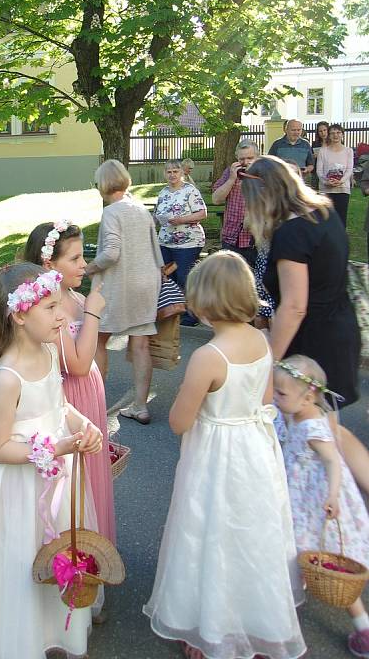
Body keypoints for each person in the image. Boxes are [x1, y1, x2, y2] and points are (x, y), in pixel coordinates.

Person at [0, 263, 103, 659]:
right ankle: (10, 640)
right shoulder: (7, 375)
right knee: (17, 557)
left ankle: (49, 630)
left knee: (53, 550)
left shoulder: (49, 351)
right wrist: (58, 448)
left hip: (53, 478)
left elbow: (60, 407)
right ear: (20, 314)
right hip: (14, 485)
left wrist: (85, 425)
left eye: (60, 303)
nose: (63, 314)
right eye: (50, 307)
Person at [144, 251, 305, 659]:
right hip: (254, 449)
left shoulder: (208, 357)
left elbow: (180, 422)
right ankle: (261, 624)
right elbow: (265, 398)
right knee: (251, 533)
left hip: (215, 456)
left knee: (210, 532)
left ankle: (211, 631)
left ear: (205, 302)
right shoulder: (262, 342)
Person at [241, 155, 360, 407]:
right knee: (324, 432)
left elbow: (294, 307)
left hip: (313, 343)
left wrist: (271, 360)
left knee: (309, 431)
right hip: (340, 329)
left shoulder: (291, 234)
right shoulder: (324, 212)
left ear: (263, 195)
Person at [24, 220, 115, 544]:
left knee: (93, 473)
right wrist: (93, 313)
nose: (84, 265)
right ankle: (75, 550)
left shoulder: (73, 296)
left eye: (82, 257)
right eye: (74, 259)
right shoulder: (52, 306)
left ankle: (93, 553)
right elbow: (77, 364)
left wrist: (87, 307)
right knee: (79, 483)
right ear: (49, 264)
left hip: (89, 394)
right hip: (72, 395)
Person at [274, 356, 369, 658]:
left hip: (316, 502)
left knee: (330, 559)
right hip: (299, 497)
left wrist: (332, 495)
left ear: (308, 396)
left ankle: (362, 624)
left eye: (281, 393)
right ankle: (282, 613)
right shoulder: (291, 411)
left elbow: (332, 461)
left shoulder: (313, 425)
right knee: (296, 552)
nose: (275, 397)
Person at [84, 160, 164, 426]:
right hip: (146, 282)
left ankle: (95, 403)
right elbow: (156, 250)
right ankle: (141, 406)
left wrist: (89, 269)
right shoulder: (141, 208)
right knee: (141, 344)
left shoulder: (111, 212)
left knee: (98, 339)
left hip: (118, 285)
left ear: (103, 184)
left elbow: (111, 253)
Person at [153, 160, 206, 289]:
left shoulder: (189, 190)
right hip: (165, 243)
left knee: (184, 279)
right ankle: (173, 308)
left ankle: (189, 308)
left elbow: (202, 214)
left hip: (188, 243)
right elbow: (155, 215)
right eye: (169, 172)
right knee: (167, 278)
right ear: (165, 174)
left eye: (175, 171)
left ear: (181, 172)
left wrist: (181, 220)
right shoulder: (163, 192)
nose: (172, 175)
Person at [211, 139, 259, 268]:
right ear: (237, 158)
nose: (245, 162)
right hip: (232, 237)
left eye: (250, 158)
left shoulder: (264, 173)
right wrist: (232, 179)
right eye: (242, 159)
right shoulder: (230, 172)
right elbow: (216, 199)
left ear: (257, 157)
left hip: (256, 238)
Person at [316, 124, 354, 227]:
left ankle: (340, 242)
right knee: (325, 219)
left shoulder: (348, 151)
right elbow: (319, 170)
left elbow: (349, 169)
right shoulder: (323, 151)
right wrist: (326, 182)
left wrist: (340, 181)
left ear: (342, 134)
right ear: (328, 135)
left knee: (341, 220)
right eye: (332, 133)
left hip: (342, 189)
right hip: (326, 190)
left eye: (338, 133)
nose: (335, 135)